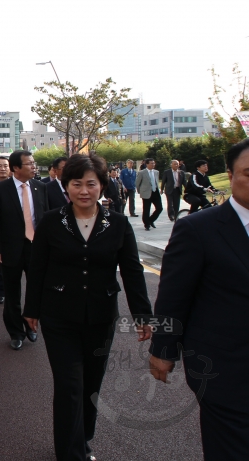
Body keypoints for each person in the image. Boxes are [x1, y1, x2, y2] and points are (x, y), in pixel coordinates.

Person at [24, 153, 152, 461]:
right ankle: (71, 453)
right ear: (66, 186)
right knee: (69, 386)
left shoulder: (118, 223)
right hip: (59, 316)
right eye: (76, 183)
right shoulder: (53, 221)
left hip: (101, 316)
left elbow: (133, 271)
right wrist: (31, 309)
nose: (83, 190)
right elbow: (37, 267)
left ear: (103, 186)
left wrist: (143, 316)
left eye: (91, 184)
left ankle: (83, 440)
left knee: (91, 384)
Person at [150, 139, 249, 460]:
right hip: (224, 368)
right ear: (230, 176)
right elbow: (173, 295)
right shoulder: (198, 229)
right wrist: (162, 349)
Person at [0, 150, 47, 350]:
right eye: (29, 164)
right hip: (10, 249)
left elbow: (46, 219)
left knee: (36, 290)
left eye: (34, 163)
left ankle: (31, 325)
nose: (34, 167)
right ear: (16, 168)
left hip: (36, 248)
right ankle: (16, 332)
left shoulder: (41, 187)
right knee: (12, 293)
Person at [135, 158, 163, 231]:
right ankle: (146, 224)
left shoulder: (156, 172)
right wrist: (140, 191)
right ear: (146, 164)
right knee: (146, 209)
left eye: (154, 163)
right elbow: (137, 183)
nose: (153, 165)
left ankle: (151, 220)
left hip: (155, 192)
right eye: (151, 163)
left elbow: (156, 181)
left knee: (159, 208)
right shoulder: (142, 173)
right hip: (146, 193)